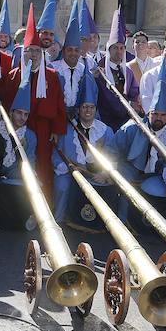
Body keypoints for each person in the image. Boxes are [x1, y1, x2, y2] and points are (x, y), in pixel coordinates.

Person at [0, 3, 66, 196]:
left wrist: (56, 128)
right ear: (23, 51)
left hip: (43, 128)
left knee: (43, 165)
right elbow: (4, 102)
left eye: (37, 51)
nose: (33, 55)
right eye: (29, 50)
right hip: (18, 128)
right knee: (17, 165)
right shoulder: (13, 75)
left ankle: (45, 204)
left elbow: (59, 104)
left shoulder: (52, 76)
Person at [114, 62, 166, 232]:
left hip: (155, 174)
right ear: (148, 113)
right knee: (126, 187)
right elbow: (114, 150)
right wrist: (112, 171)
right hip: (129, 168)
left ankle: (155, 229)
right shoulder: (131, 128)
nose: (158, 118)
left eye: (163, 115)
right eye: (155, 114)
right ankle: (122, 225)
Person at [52, 68, 115, 232]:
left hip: (94, 174)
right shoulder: (68, 128)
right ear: (79, 109)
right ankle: (59, 221)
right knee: (62, 186)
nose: (88, 111)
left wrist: (105, 174)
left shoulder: (105, 131)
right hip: (70, 170)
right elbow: (57, 152)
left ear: (96, 110)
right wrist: (65, 167)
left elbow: (113, 156)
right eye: (85, 107)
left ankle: (101, 224)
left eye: (91, 107)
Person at [0, 78, 36, 231]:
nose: (22, 118)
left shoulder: (30, 136)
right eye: (19, 113)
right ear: (11, 112)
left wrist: (32, 177)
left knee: (20, 213)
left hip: (14, 180)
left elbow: (30, 162)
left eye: (26, 115)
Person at [96, 7, 141, 130]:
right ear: (109, 49)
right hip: (105, 120)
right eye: (115, 48)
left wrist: (135, 102)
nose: (119, 51)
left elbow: (134, 92)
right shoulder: (99, 71)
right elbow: (106, 97)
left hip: (126, 119)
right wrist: (128, 105)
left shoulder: (128, 71)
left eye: (121, 48)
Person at [51, 0, 85, 117]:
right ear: (64, 50)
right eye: (69, 49)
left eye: (76, 50)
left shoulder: (84, 70)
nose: (73, 53)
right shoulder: (53, 69)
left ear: (80, 51)